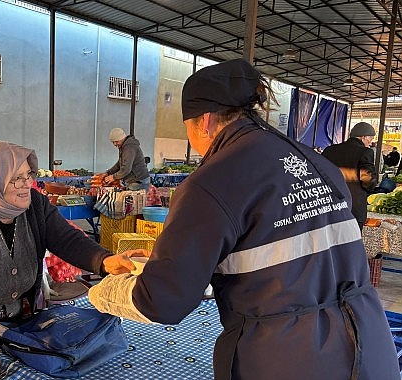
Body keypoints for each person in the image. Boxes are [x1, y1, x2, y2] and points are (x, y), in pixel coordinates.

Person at [87, 59, 399, 379]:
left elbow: (162, 301)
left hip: (291, 359)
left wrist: (104, 293)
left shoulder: (211, 182)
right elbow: (281, 245)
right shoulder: (312, 161)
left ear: (204, 121)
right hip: (368, 345)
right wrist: (180, 257)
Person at [0, 140, 136, 341]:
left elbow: (67, 239)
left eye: (28, 175)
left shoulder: (35, 204)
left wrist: (106, 260)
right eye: (16, 178)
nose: (27, 184)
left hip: (9, 323)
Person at [322, 122, 378, 230]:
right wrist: (370, 189)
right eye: (369, 139)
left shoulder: (330, 150)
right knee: (351, 242)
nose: (370, 143)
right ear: (363, 137)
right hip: (353, 206)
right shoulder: (365, 152)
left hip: (329, 204)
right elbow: (368, 179)